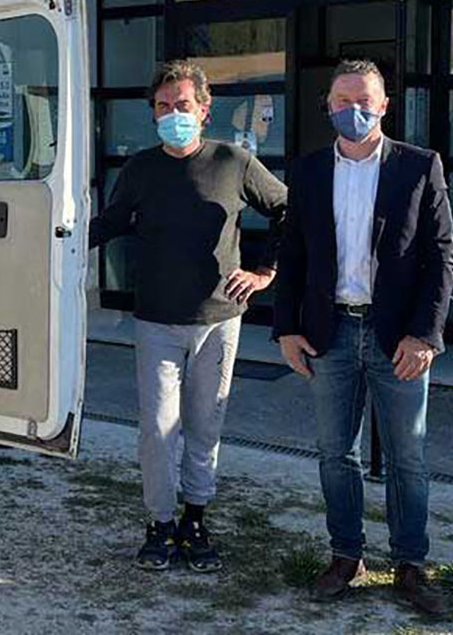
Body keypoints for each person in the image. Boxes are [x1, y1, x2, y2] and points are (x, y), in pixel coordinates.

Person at [273, 59, 453, 618]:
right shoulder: (305, 172)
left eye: (364, 100)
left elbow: (441, 256)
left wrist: (425, 333)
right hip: (329, 335)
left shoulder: (419, 166)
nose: (352, 110)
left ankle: (409, 564)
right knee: (336, 455)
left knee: (408, 458)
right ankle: (346, 556)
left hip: (396, 335)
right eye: (341, 100)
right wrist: (286, 329)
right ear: (327, 105)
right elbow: (293, 255)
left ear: (383, 105)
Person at [90, 60, 288, 574]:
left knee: (204, 428)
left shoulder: (233, 161)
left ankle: (195, 520)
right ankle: (159, 524)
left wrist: (267, 271)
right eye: (162, 106)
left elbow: (289, 210)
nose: (172, 114)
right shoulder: (140, 170)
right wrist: (47, 234)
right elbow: (108, 224)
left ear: (204, 109)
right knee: (158, 430)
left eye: (182, 105)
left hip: (219, 320)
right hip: (156, 321)